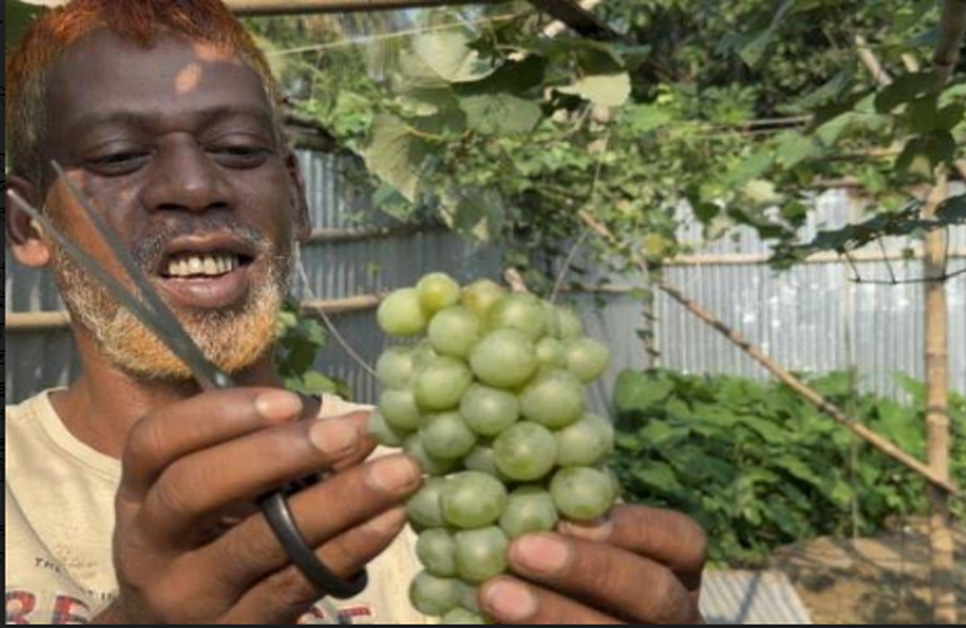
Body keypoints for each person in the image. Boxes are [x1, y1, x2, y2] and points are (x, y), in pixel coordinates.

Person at [4, 1, 708, 623]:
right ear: (28, 226)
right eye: (121, 155)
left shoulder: (447, 474)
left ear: (298, 198)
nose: (193, 186)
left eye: (239, 149)